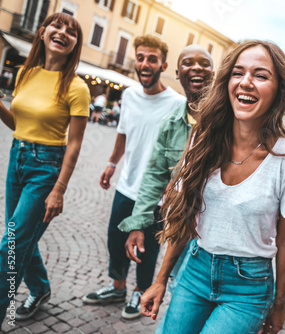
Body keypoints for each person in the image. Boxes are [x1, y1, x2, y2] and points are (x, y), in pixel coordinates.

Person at [140, 40, 285, 334]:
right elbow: (184, 216)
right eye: (238, 72)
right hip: (195, 269)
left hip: (248, 286)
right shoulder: (202, 139)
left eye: (260, 75)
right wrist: (160, 279)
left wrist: (279, 304)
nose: (246, 83)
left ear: (279, 90)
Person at [82, 34, 186, 320]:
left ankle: (140, 291)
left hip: (156, 194)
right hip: (126, 186)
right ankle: (117, 287)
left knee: (147, 247)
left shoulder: (177, 104)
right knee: (115, 240)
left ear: (163, 65)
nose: (145, 63)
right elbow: (123, 134)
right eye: (140, 57)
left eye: (152, 58)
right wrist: (111, 163)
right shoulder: (128, 95)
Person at [0, 13, 90, 321]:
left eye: (72, 31)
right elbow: (18, 123)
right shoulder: (26, 73)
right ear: (43, 32)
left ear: (75, 45)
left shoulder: (77, 87)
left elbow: (75, 143)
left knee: (10, 245)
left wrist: (59, 190)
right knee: (22, 237)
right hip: (18, 159)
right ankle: (40, 289)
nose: (63, 32)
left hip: (45, 168)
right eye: (57, 25)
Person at [118, 45, 213, 322]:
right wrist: (138, 222)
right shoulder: (171, 123)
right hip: (184, 229)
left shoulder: (228, 119)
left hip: (217, 236)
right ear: (177, 72)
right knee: (177, 287)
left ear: (214, 71)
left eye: (204, 63)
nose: (196, 67)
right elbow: (154, 175)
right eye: (188, 63)